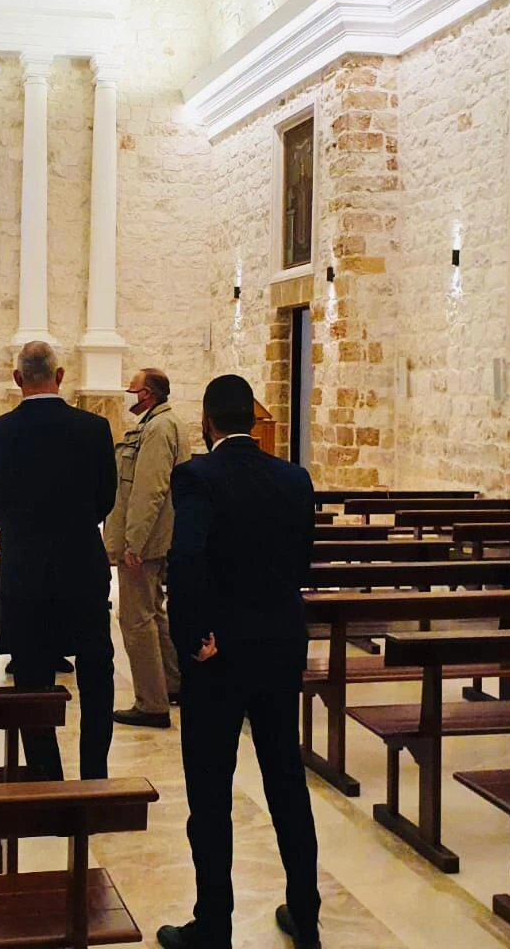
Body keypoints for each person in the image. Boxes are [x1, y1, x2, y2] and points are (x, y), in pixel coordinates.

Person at [158, 375, 321, 949]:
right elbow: (302, 563)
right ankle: (306, 912)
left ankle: (214, 924)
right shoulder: (294, 478)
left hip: (220, 657)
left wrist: (192, 635)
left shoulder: (198, 475)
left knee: (210, 792)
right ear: (251, 421)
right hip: (278, 647)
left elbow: (188, 556)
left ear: (207, 421)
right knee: (287, 783)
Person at [0, 341, 117, 781]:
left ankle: (45, 774)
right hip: (81, 563)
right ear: (60, 376)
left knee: (32, 675)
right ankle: (94, 774)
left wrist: (23, 527)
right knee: (95, 670)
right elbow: (105, 499)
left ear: (18, 379)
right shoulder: (94, 429)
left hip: (24, 566)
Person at [104, 368, 189, 729]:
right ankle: (172, 684)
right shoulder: (158, 423)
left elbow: (149, 490)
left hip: (145, 540)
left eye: (133, 390)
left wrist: (133, 542)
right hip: (152, 537)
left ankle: (151, 703)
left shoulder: (157, 429)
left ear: (149, 394)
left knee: (136, 620)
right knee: (154, 612)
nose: (129, 396)